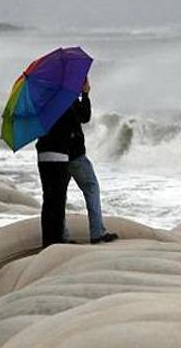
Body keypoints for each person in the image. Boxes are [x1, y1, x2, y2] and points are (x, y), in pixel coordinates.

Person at [66, 78, 118, 244]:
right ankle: (97, 232)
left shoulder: (50, 99)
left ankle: (62, 235)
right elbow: (85, 116)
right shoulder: (67, 97)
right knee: (91, 188)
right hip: (75, 154)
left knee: (59, 195)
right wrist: (85, 95)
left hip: (57, 155)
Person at [36, 105, 74, 247]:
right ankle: (57, 240)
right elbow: (84, 117)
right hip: (60, 157)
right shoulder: (65, 105)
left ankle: (47, 240)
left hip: (43, 157)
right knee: (59, 201)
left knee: (48, 200)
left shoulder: (41, 107)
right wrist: (85, 95)